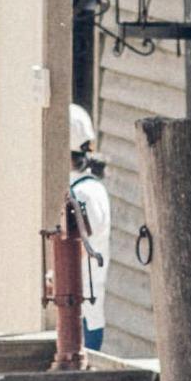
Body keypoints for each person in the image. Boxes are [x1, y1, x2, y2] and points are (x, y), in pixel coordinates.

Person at [64, 105, 111, 354]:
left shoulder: (84, 194)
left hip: (81, 315)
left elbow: (76, 249)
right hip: (74, 310)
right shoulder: (82, 188)